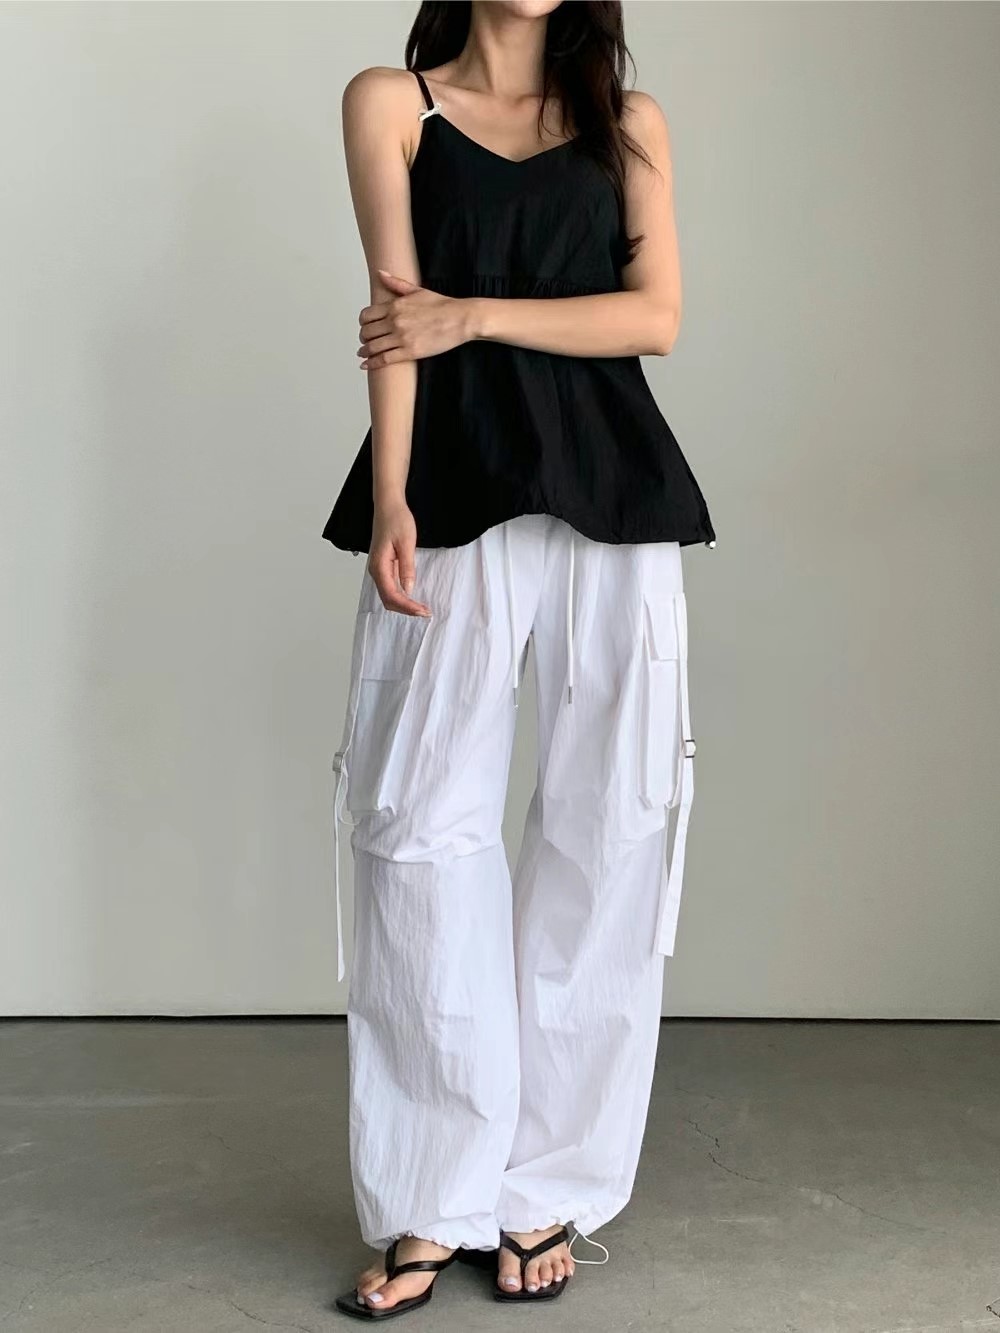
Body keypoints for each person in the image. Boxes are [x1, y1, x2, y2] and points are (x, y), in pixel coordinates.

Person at [322, 0, 716, 1319]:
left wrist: (478, 314)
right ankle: (432, 1194)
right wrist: (391, 496)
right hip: (456, 482)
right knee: (419, 824)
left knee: (613, 823)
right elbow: (396, 321)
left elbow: (656, 318)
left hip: (614, 490)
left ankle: (541, 1181)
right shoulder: (394, 103)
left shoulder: (627, 123)